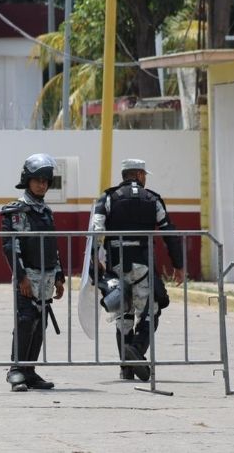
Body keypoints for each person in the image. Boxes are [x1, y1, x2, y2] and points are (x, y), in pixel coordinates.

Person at [91, 159, 184, 381]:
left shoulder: (107, 198)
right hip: (142, 266)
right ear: (140, 175)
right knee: (150, 312)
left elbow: (96, 229)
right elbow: (168, 231)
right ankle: (137, 352)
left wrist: (95, 259)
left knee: (123, 314)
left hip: (116, 266)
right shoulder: (152, 199)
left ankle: (126, 366)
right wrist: (178, 264)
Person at [1, 153, 65, 392]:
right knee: (26, 320)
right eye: (38, 179)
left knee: (41, 323)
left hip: (47, 276)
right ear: (27, 180)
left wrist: (59, 276)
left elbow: (53, 245)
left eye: (46, 181)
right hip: (28, 275)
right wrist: (21, 277)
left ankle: (29, 371)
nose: (42, 184)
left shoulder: (46, 212)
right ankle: (16, 370)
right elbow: (11, 247)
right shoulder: (16, 211)